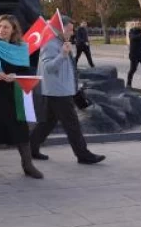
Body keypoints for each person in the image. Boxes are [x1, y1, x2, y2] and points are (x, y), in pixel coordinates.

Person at [29, 15, 105, 165]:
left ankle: (31, 147)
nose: (72, 32)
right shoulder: (51, 44)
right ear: (60, 28)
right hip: (58, 91)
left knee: (48, 122)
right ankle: (83, 155)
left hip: (60, 89)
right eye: (69, 29)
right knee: (72, 124)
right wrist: (62, 54)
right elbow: (49, 67)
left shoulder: (60, 41)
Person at [0, 15, 44, 180]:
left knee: (19, 128)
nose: (1, 30)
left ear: (14, 30)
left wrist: (16, 75)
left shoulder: (21, 48)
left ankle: (28, 165)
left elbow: (26, 71)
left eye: (6, 27)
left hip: (13, 92)